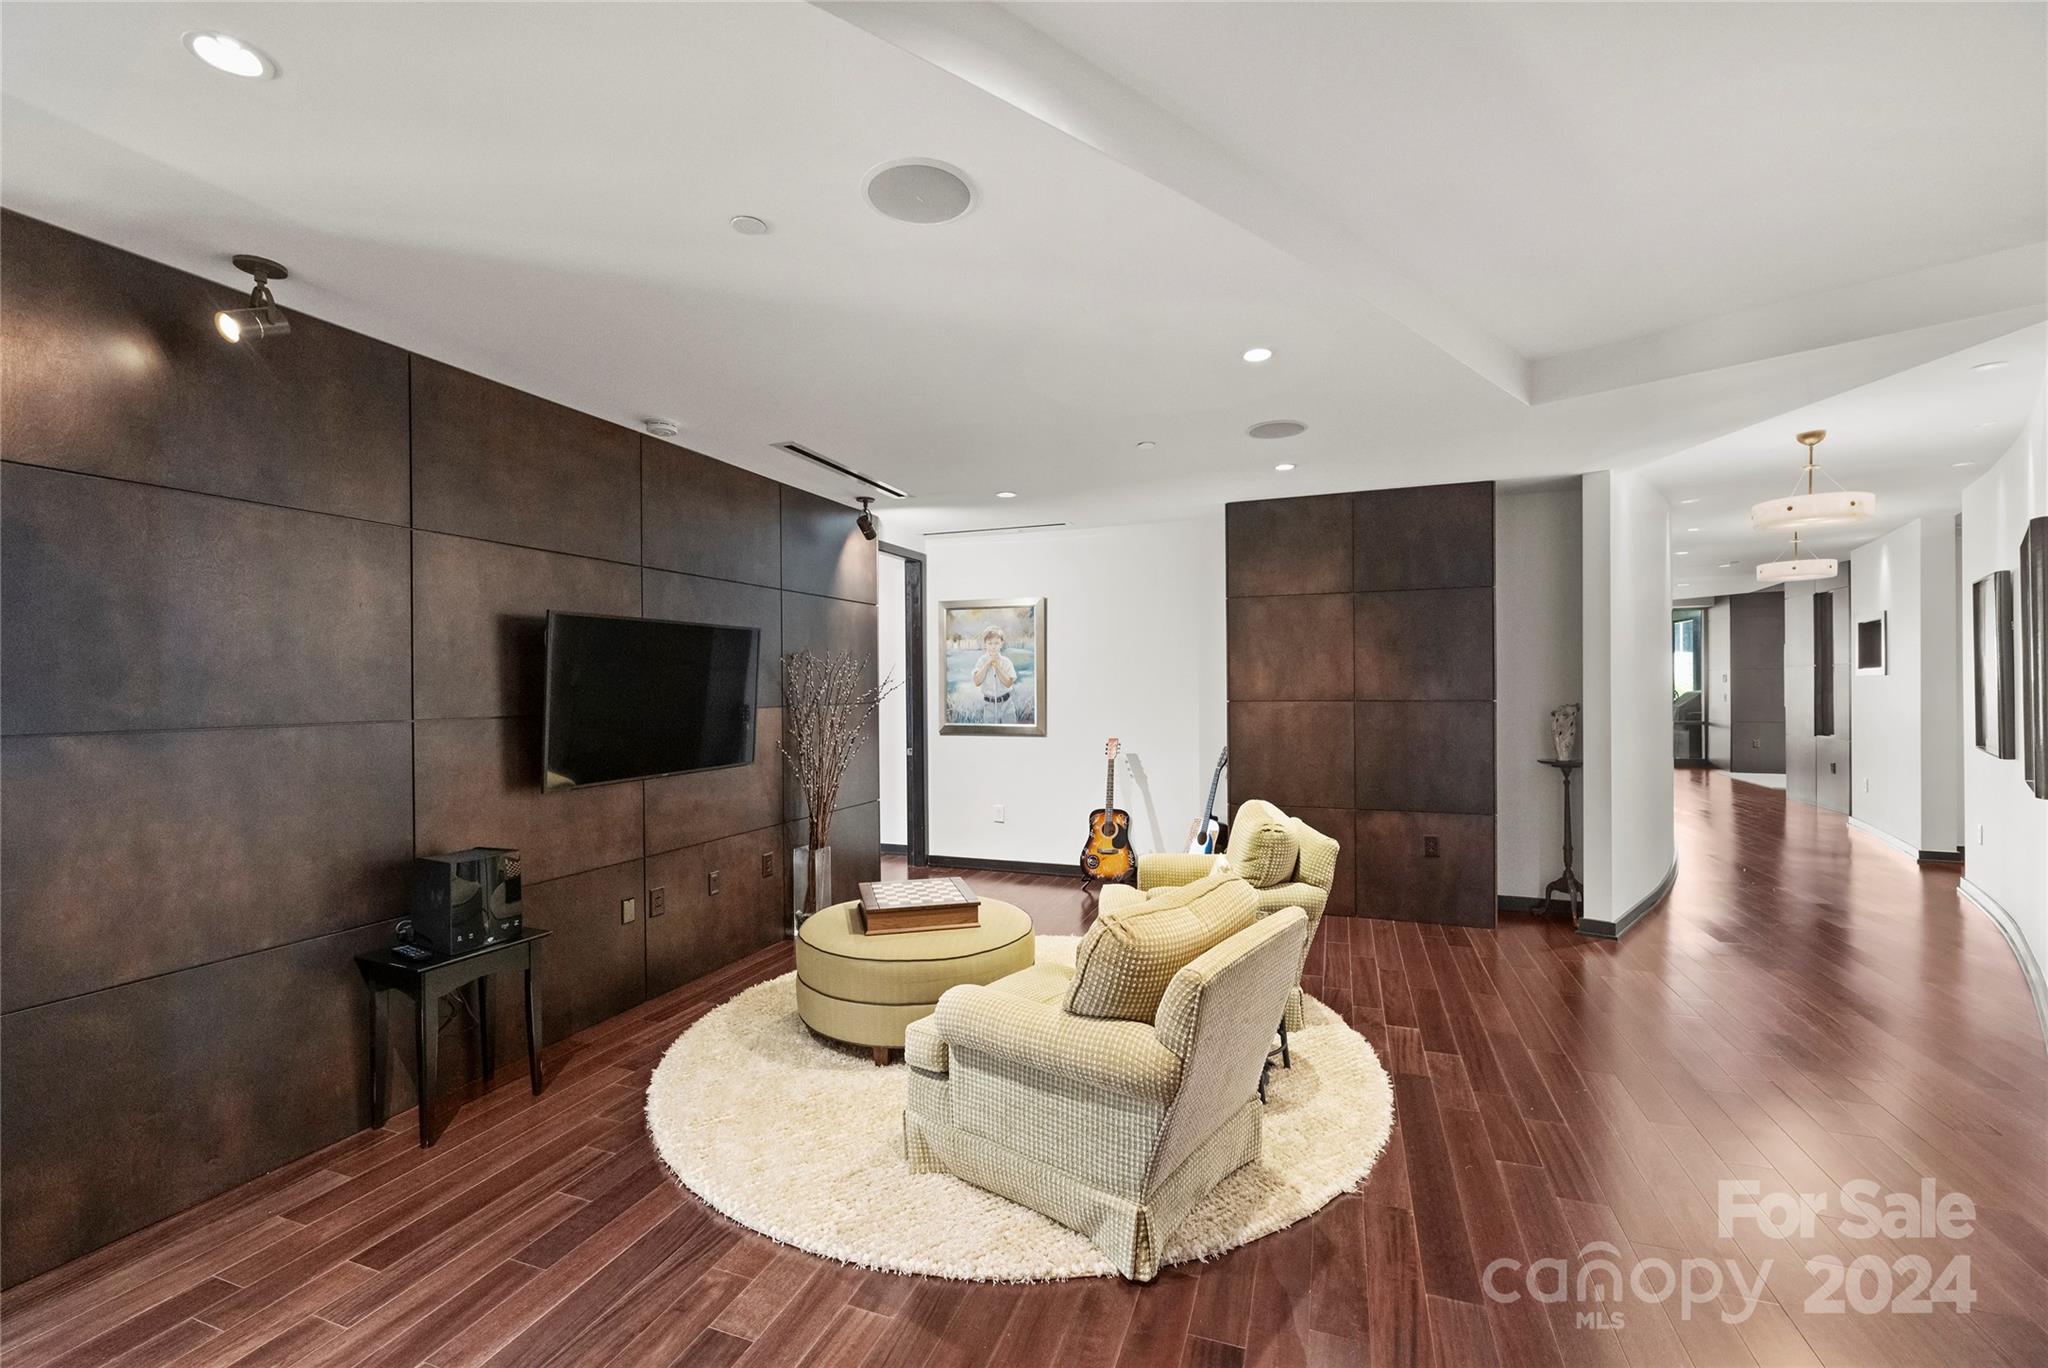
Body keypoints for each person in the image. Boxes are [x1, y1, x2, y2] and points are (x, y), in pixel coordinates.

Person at [971, 625, 1019, 725]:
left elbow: (1008, 683)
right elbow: (977, 682)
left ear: (1002, 643)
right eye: (990, 643)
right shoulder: (981, 661)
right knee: (990, 731)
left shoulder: (1006, 662)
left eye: (996, 643)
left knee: (1010, 730)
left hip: (1007, 704)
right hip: (989, 705)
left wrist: (997, 666)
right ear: (985, 644)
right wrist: (988, 663)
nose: (993, 646)